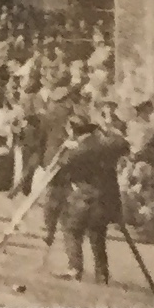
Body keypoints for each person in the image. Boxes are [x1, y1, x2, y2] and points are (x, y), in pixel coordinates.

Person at [43, 109, 127, 282]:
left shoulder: (78, 152)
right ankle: (102, 273)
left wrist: (65, 149)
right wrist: (108, 129)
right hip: (108, 199)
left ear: (73, 131)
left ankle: (74, 268)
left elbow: (56, 171)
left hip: (86, 198)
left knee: (71, 229)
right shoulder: (107, 145)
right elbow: (123, 144)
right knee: (98, 234)